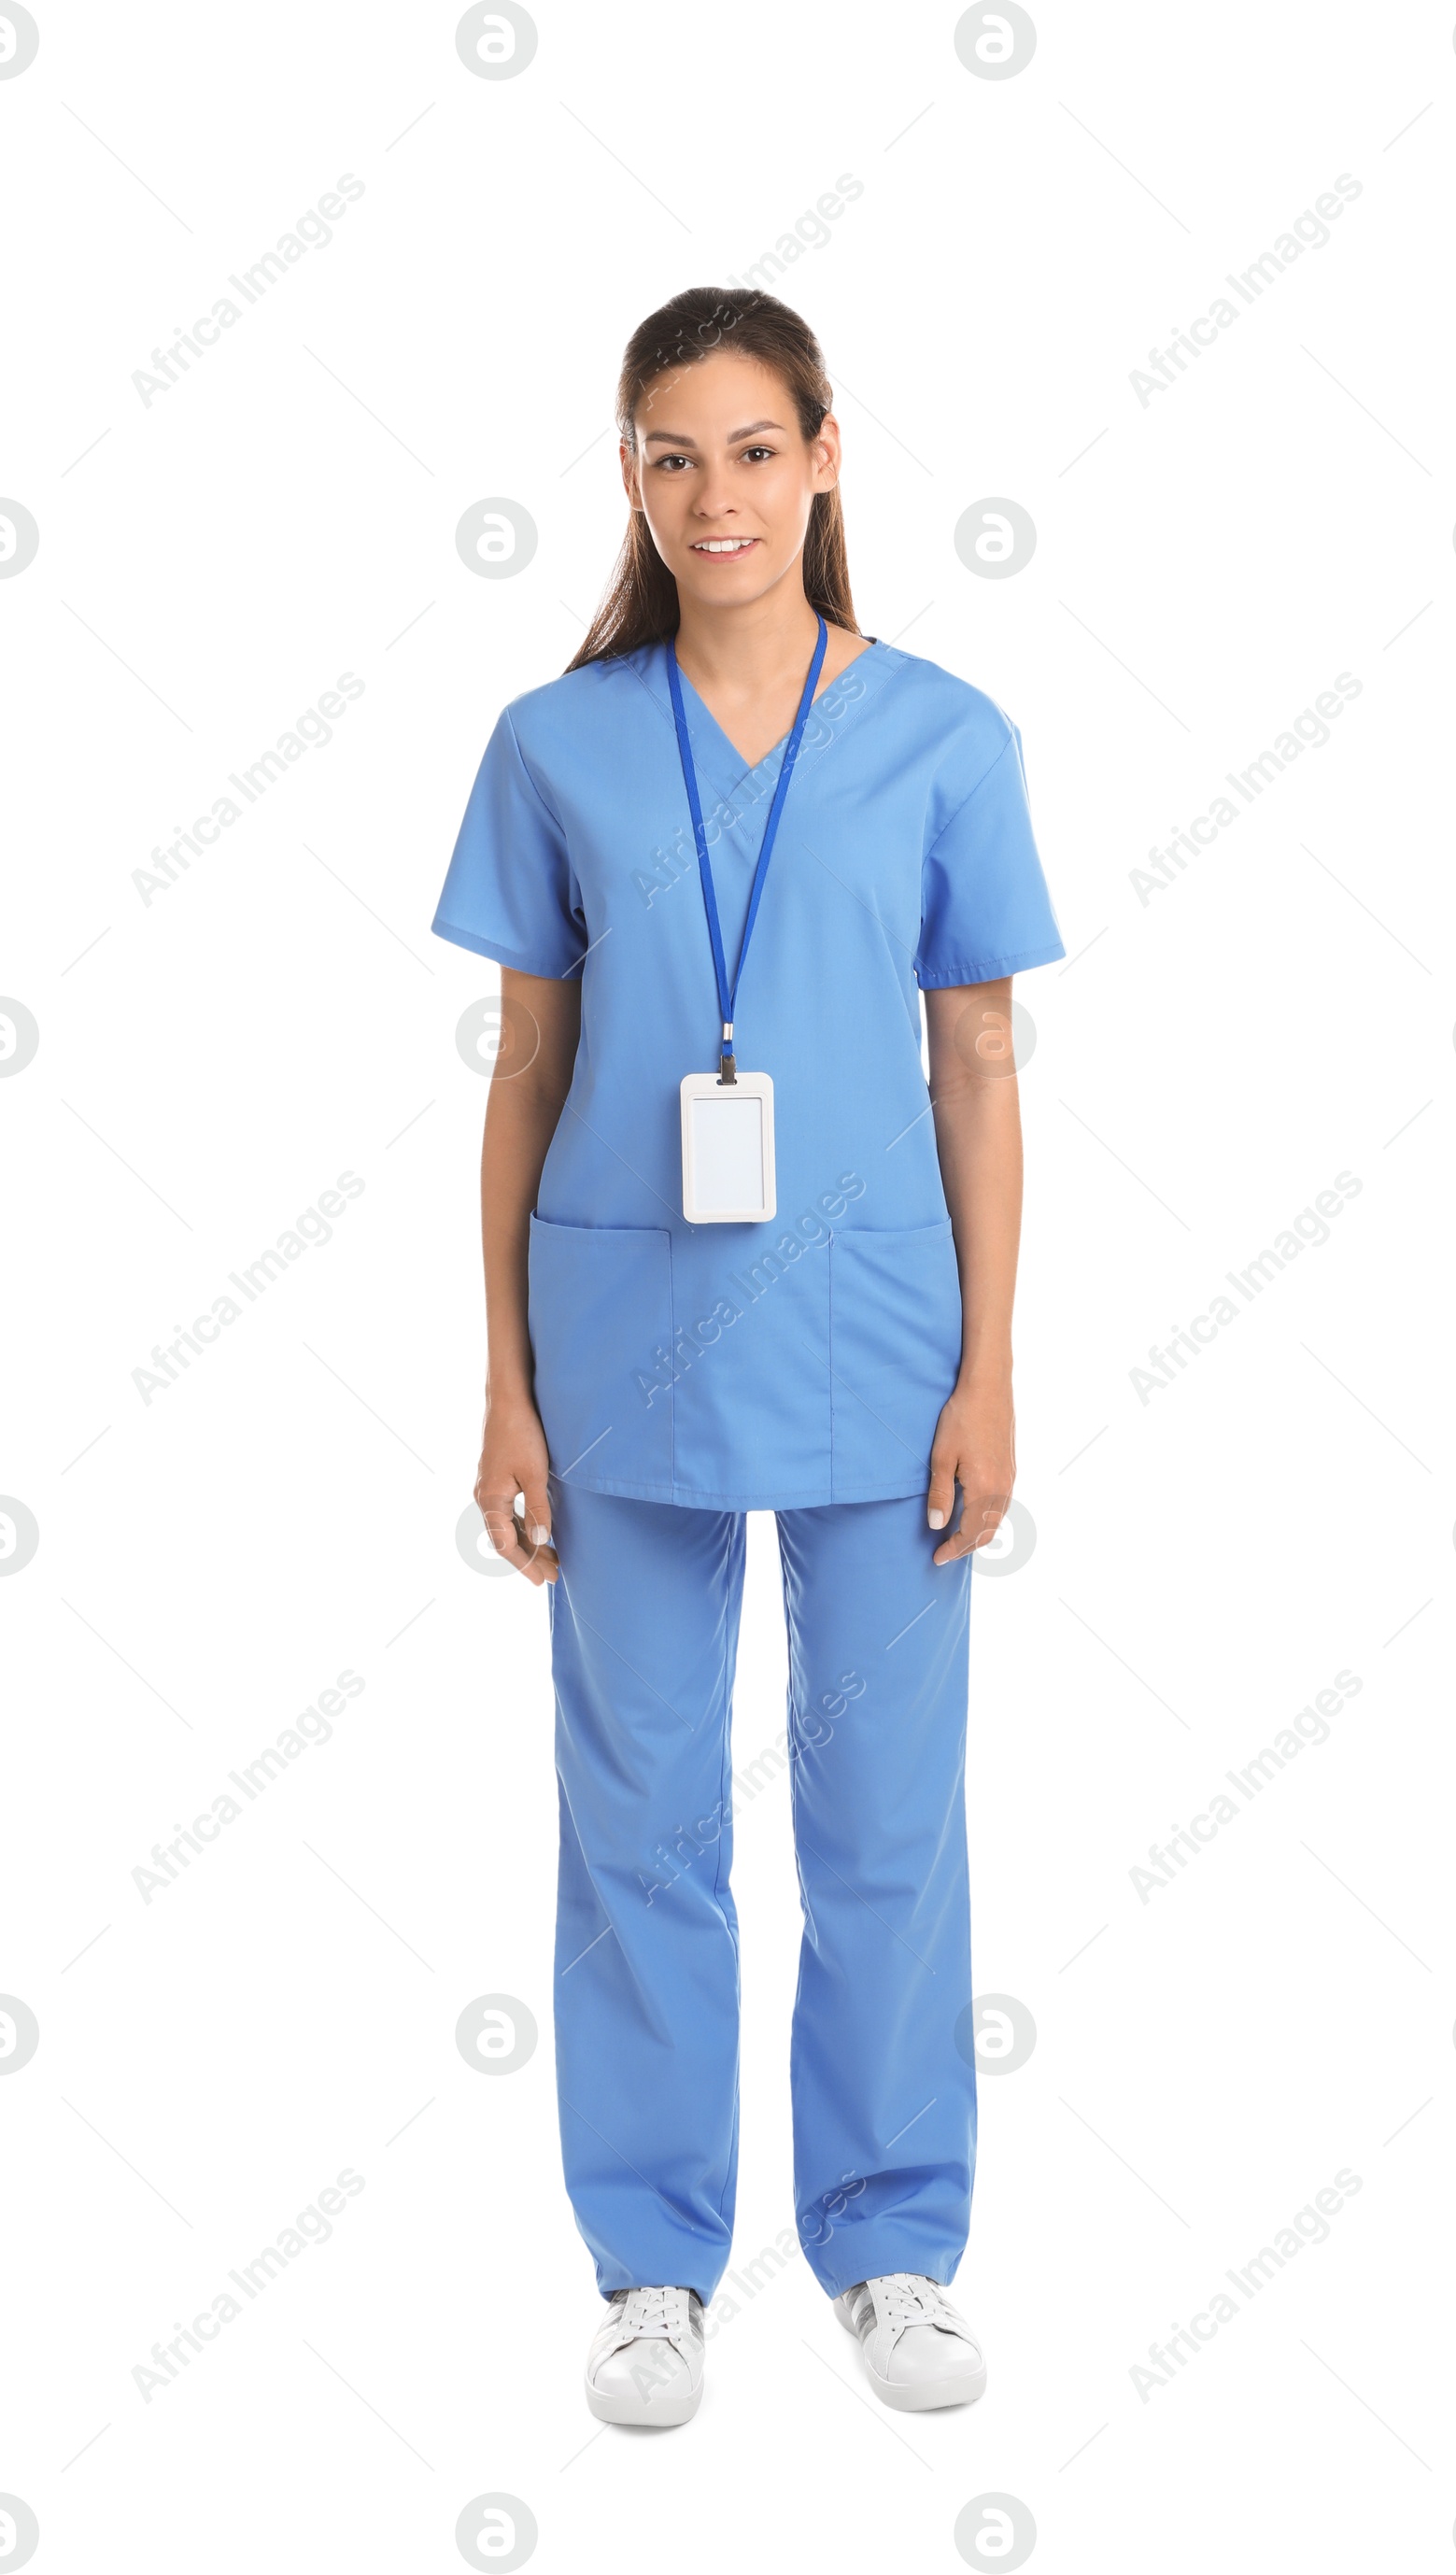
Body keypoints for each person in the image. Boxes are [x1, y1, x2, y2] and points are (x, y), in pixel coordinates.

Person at [431, 287, 1065, 2427]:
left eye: (750, 449)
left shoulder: (942, 736)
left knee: (887, 1807)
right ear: (626, 475)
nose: (713, 493)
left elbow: (973, 1059)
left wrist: (987, 1370)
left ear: (820, 457)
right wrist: (507, 1383)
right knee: (637, 1810)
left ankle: (887, 2240)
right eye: (667, 454)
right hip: (620, 1343)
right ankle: (650, 2259)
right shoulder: (557, 740)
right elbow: (523, 1072)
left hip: (884, 1342)